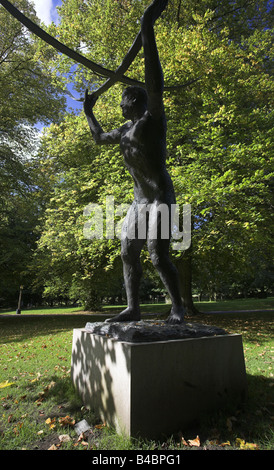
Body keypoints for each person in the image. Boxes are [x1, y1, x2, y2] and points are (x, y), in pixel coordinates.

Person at [84, 0, 185, 324]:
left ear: (136, 100)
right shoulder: (125, 130)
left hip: (160, 198)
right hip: (139, 201)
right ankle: (133, 307)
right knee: (128, 251)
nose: (120, 106)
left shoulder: (153, 120)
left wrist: (147, 26)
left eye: (123, 101)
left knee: (157, 254)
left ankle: (178, 308)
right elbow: (99, 139)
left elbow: (154, 82)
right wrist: (88, 112)